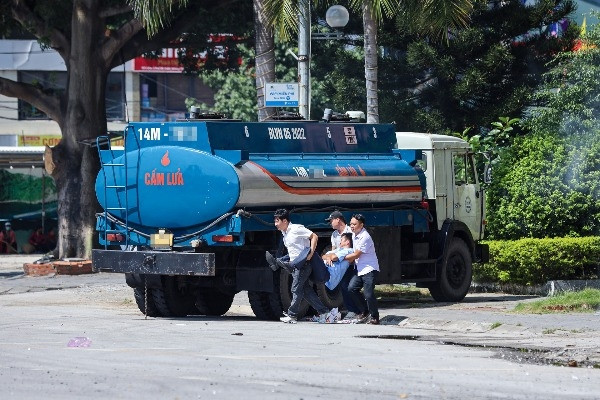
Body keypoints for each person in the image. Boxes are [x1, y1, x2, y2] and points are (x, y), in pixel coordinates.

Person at [265, 209, 333, 324]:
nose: (275, 224)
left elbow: (314, 236)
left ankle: (292, 315)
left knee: (295, 288)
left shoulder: (296, 229)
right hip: (296, 264)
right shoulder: (284, 233)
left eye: (277, 221)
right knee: (306, 290)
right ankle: (324, 312)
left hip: (304, 264)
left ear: (285, 221)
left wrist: (311, 253)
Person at [325, 211, 363, 320]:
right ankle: (353, 309)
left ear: (338, 220)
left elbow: (355, 249)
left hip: (352, 264)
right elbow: (333, 252)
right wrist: (329, 257)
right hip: (341, 266)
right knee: (343, 287)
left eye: (331, 220)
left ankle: (355, 310)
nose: (330, 223)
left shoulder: (350, 231)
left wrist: (343, 258)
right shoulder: (334, 235)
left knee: (349, 287)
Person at [344, 214, 380, 325]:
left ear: (361, 225)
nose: (352, 226)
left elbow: (356, 255)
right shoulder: (355, 235)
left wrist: (340, 258)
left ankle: (375, 317)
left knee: (368, 294)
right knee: (351, 289)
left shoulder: (365, 237)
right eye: (351, 224)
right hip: (360, 269)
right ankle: (365, 311)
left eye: (354, 224)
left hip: (369, 269)